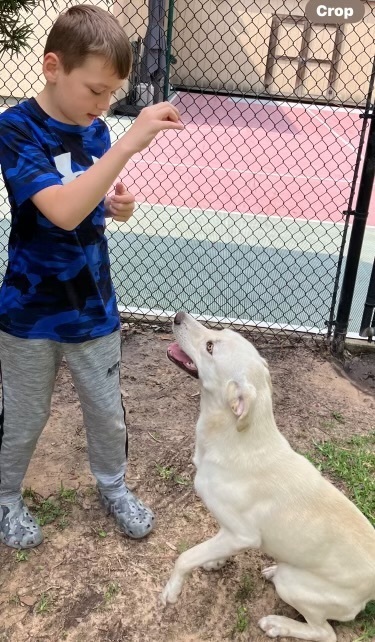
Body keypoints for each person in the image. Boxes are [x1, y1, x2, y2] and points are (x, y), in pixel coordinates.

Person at [0, 4, 183, 549]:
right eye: (96, 90)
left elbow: (86, 202)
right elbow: (59, 210)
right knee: (23, 415)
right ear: (53, 66)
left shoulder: (97, 131)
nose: (105, 106)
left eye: (113, 94)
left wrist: (113, 207)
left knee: (107, 413)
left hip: (93, 305)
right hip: (29, 310)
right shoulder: (14, 128)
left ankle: (114, 487)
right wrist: (128, 146)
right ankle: (6, 496)